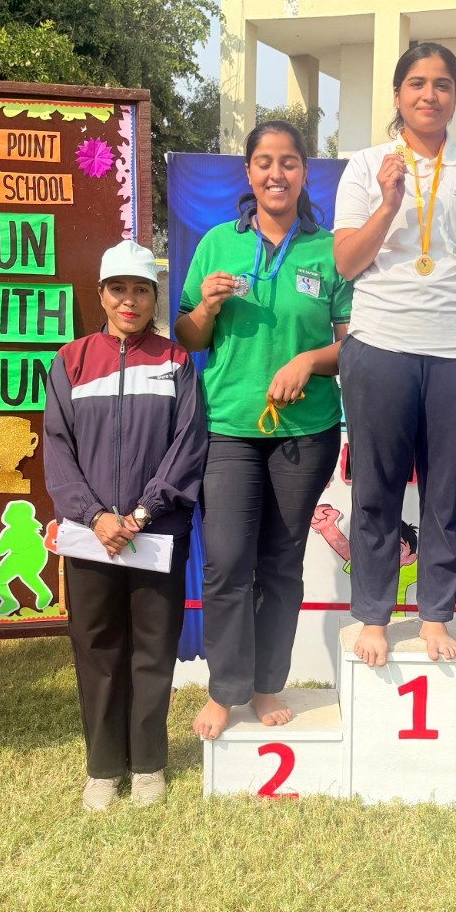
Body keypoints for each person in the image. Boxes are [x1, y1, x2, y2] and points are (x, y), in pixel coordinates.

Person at [332, 41, 456, 668]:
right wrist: (388, 202)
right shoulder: (366, 166)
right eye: (416, 83)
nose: (429, 94)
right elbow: (347, 262)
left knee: (444, 494)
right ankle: (373, 615)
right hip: (380, 344)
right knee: (376, 489)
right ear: (397, 94)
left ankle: (436, 614)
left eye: (441, 84)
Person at [175, 121, 352, 741]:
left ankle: (266, 683)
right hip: (229, 427)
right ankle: (225, 689)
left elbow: (352, 344)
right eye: (265, 162)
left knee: (281, 563)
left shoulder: (330, 250)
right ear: (249, 173)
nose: (277, 173)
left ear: (305, 173)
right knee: (226, 562)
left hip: (306, 432)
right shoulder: (217, 243)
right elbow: (187, 336)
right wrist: (206, 307)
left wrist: (309, 361)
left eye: (289, 162)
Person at [44, 242, 207, 810]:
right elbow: (57, 449)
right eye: (118, 289)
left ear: (154, 297)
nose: (129, 301)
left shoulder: (175, 362)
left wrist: (140, 514)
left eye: (140, 290)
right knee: (97, 647)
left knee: (152, 647)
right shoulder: (71, 361)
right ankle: (103, 766)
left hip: (155, 532)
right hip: (90, 535)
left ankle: (149, 764)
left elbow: (189, 444)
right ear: (101, 295)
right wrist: (95, 515)